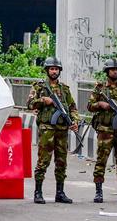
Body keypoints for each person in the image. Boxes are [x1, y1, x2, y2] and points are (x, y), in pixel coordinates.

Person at [26, 57, 79, 204]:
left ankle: (60, 193)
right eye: (51, 69)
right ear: (47, 70)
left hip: (62, 129)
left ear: (59, 71)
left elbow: (73, 107)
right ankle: (38, 192)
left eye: (56, 69)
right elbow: (29, 104)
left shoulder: (65, 89)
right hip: (47, 128)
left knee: (61, 161)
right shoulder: (39, 87)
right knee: (43, 161)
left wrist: (74, 121)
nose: (54, 71)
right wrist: (44, 101)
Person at [87, 58, 117, 203]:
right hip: (105, 130)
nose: (115, 71)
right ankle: (98, 192)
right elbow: (89, 106)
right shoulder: (100, 89)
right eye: (113, 69)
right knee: (101, 160)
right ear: (107, 71)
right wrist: (100, 104)